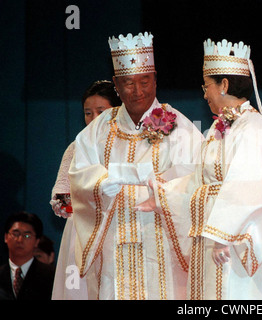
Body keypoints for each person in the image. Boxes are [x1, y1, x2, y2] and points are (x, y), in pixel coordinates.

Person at [149, 39, 262, 299]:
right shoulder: (218, 127)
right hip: (214, 235)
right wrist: (162, 193)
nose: (204, 94)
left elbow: (245, 184)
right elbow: (201, 180)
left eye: (207, 86)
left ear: (224, 85)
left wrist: (223, 235)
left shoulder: (253, 127)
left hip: (234, 240)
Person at [68, 32, 203, 300]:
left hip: (163, 244)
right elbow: (79, 178)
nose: (138, 91)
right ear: (116, 85)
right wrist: (114, 178)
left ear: (155, 79)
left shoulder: (181, 128)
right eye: (128, 83)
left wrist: (163, 194)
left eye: (145, 81)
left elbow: (196, 182)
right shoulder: (97, 130)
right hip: (112, 244)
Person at [50, 80, 121, 300]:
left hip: (118, 228)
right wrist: (75, 202)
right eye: (88, 113)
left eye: (101, 111)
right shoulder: (76, 147)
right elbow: (60, 196)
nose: (93, 119)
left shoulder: (128, 145)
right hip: (82, 231)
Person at [0, 211, 55, 300]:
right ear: (6, 237)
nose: (20, 240)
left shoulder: (52, 275)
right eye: (15, 234)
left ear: (37, 241)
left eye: (27, 236)